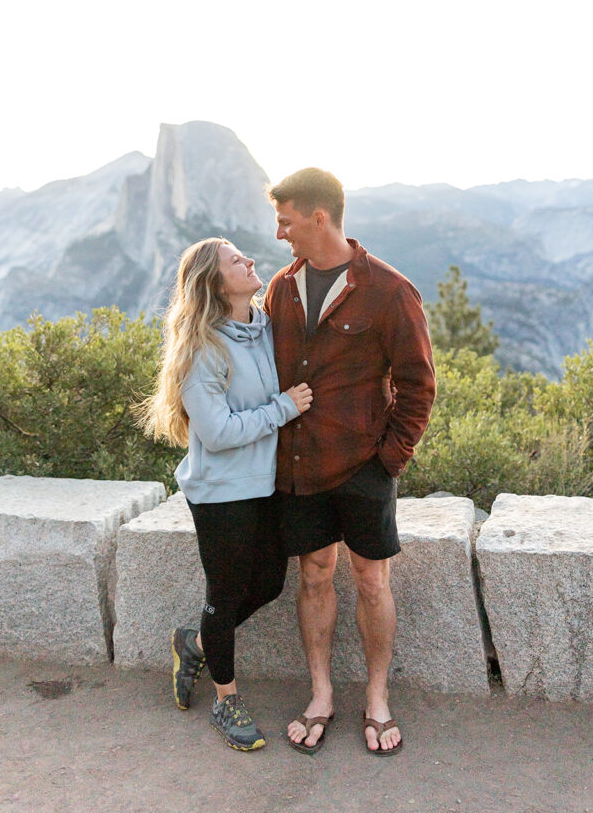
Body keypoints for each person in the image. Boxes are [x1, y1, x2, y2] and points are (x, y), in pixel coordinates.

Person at [264, 168, 436, 756]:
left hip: (365, 467)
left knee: (370, 577)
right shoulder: (282, 289)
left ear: (319, 217)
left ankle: (378, 697)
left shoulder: (390, 290)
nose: (279, 232)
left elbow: (418, 388)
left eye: (286, 220)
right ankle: (320, 694)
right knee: (313, 573)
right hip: (302, 466)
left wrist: (387, 462)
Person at [138, 236, 312, 751]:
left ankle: (194, 642)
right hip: (221, 493)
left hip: (266, 485)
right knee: (226, 593)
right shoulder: (202, 347)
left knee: (271, 584)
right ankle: (225, 699)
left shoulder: (263, 329)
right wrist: (284, 408)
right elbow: (214, 432)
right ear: (215, 282)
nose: (249, 260)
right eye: (236, 260)